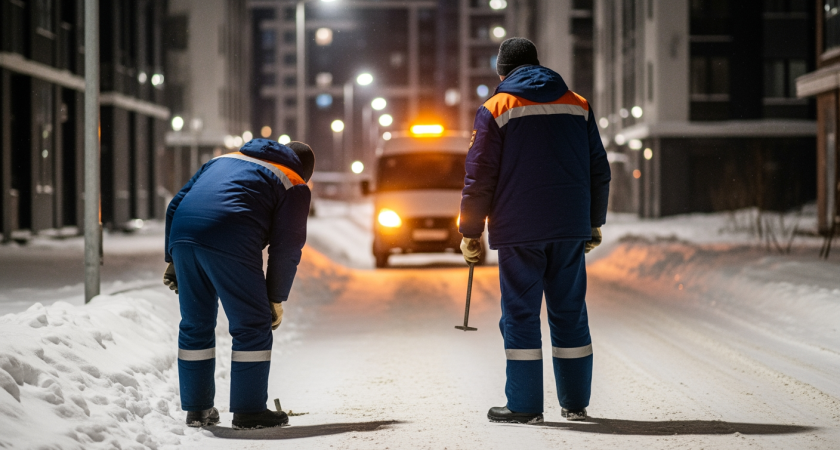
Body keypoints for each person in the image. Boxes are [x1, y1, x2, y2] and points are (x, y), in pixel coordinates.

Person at [459, 37, 611, 424]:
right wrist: (592, 220)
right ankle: (575, 402)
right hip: (568, 226)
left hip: (519, 229)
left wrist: (470, 230)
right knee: (569, 311)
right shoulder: (577, 103)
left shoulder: (496, 108)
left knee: (520, 315)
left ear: (501, 72)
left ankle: (525, 405)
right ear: (537, 64)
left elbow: (479, 177)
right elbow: (599, 168)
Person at [162, 138, 314, 429]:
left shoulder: (224, 160)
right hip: (230, 235)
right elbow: (287, 247)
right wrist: (275, 298)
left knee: (195, 324)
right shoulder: (293, 181)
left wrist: (173, 256)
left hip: (184, 234)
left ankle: (198, 410)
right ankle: (249, 411)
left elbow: (175, 205)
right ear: (305, 170)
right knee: (252, 325)